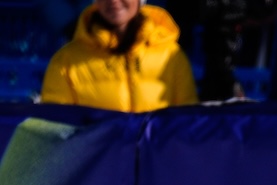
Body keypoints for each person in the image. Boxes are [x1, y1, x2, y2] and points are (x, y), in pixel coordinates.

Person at [40, 0, 198, 110]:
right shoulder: (66, 62)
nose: (113, 1)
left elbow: (187, 124)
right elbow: (55, 130)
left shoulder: (172, 57)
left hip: (157, 159)